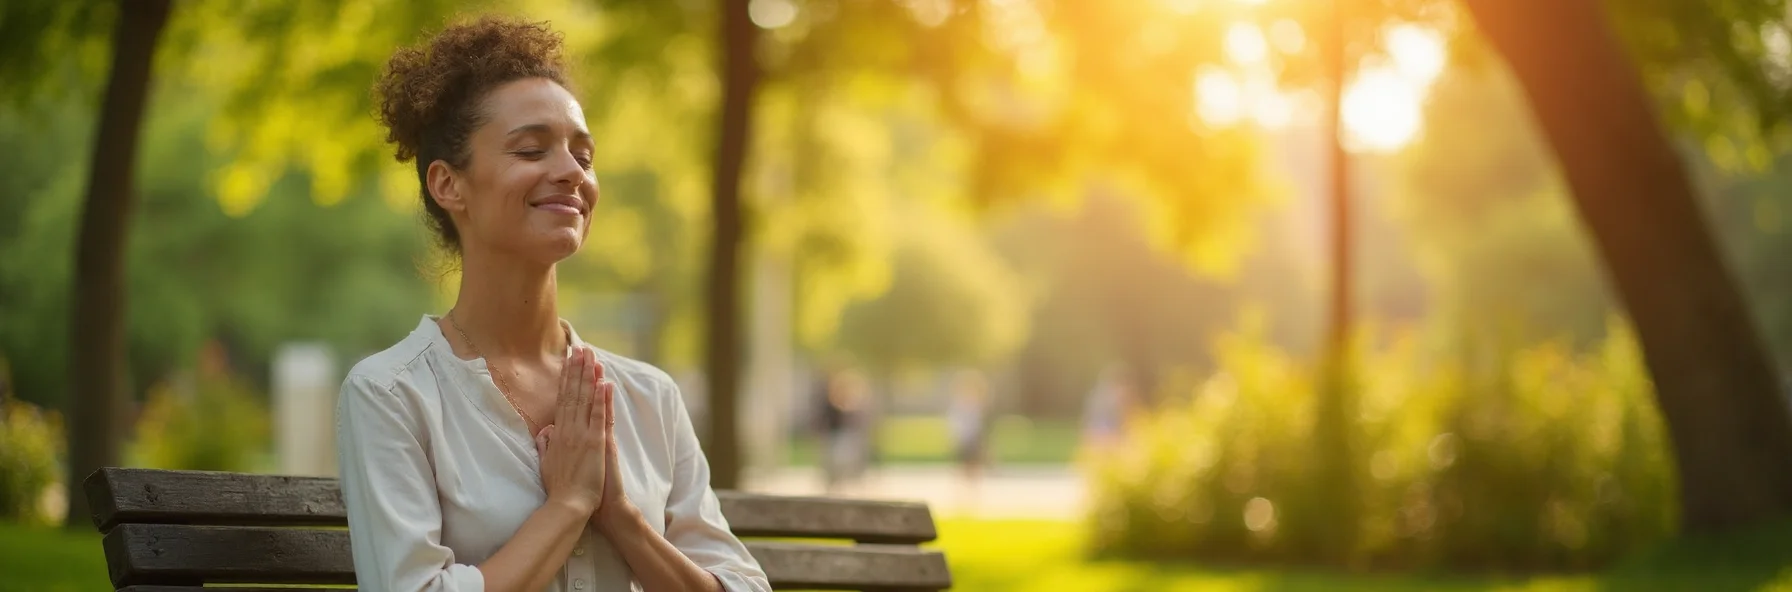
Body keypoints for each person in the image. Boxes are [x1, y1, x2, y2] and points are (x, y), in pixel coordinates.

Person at [333, 17, 768, 592]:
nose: (570, 173)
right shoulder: (392, 394)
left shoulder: (648, 397)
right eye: (532, 149)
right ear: (448, 185)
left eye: (583, 157)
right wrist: (568, 505)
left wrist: (623, 519)